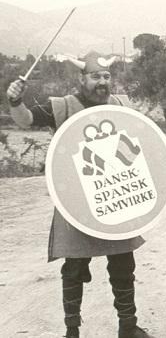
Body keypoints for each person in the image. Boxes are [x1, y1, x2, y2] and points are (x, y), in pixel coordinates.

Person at [5, 52, 153, 338]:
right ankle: (72, 331)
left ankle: (128, 326)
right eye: (95, 76)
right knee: (73, 267)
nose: (102, 82)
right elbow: (25, 120)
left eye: (106, 76)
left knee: (123, 264)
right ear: (81, 78)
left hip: (114, 197)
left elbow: (141, 142)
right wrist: (14, 100)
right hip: (75, 201)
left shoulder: (121, 105)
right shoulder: (62, 106)